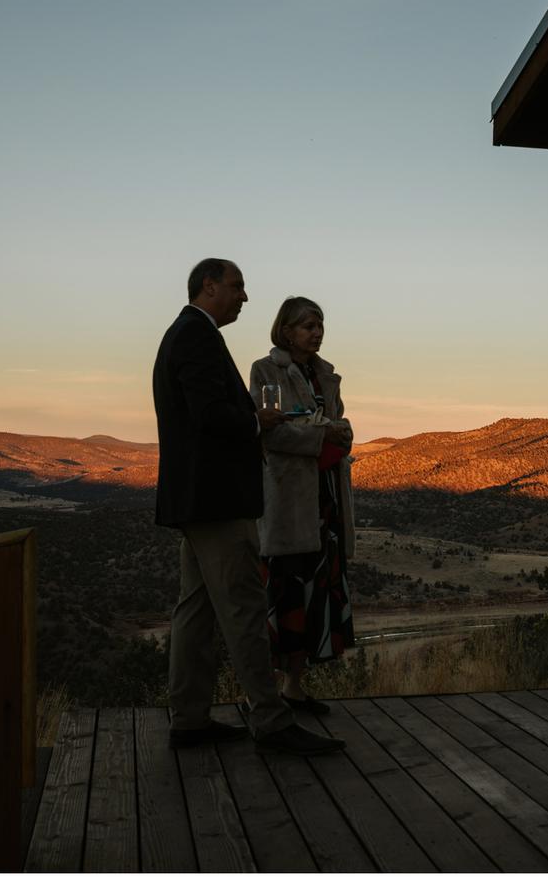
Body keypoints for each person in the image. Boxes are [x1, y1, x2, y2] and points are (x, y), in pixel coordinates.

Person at [153, 259, 344, 755]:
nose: (244, 296)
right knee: (243, 607)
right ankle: (272, 718)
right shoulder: (197, 337)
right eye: (237, 287)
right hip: (218, 499)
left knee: (195, 609)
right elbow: (211, 415)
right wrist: (256, 419)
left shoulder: (186, 333)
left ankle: (190, 718)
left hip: (195, 500)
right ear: (209, 286)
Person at [248, 297, 356, 713]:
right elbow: (270, 433)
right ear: (287, 330)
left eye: (320, 324)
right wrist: (321, 437)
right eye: (308, 325)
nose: (317, 332)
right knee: (285, 591)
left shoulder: (326, 375)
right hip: (289, 499)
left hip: (325, 498)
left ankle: (295, 687)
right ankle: (265, 693)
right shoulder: (265, 370)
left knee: (318, 595)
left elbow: (339, 425)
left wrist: (336, 433)